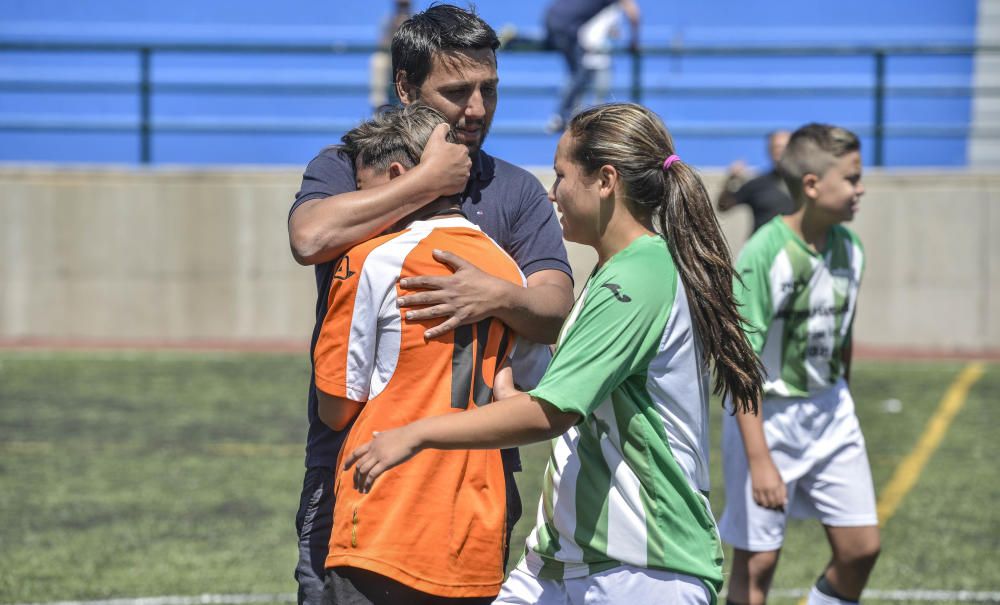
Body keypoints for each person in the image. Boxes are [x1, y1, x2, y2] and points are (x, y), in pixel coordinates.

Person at [341, 102, 765, 605]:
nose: (552, 191)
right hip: (567, 561)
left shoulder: (638, 277)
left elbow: (553, 413)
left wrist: (415, 434)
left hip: (643, 569)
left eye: (562, 175)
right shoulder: (616, 272)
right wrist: (510, 394)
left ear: (605, 180)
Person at [287, 5, 575, 605]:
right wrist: (425, 182)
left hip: (475, 474)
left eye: (488, 90)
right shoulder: (349, 164)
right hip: (357, 466)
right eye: (456, 92)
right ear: (404, 88)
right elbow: (309, 238)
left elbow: (551, 308)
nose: (476, 109)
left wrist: (494, 294)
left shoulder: (515, 190)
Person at [314, 103, 549, 604]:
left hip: (385, 508)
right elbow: (526, 381)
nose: (363, 204)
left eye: (363, 187)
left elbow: (336, 408)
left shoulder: (369, 258)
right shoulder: (507, 271)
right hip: (474, 520)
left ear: (399, 175)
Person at [718, 124, 880, 605]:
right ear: (812, 185)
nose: (860, 188)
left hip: (831, 412)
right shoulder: (764, 254)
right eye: (851, 178)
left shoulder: (851, 249)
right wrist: (760, 459)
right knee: (759, 562)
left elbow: (842, 340)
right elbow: (740, 364)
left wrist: (842, 400)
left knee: (861, 549)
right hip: (768, 417)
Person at [543, 0, 640, 132]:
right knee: (579, 74)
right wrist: (634, 41)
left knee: (577, 74)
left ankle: (564, 118)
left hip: (553, 19)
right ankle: (562, 116)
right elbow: (633, 14)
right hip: (568, 28)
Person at [716, 130, 794, 235]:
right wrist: (731, 181)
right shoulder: (757, 184)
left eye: (784, 148)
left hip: (795, 247)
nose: (779, 153)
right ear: (769, 151)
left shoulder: (806, 184)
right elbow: (723, 206)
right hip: (765, 248)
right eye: (776, 148)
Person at [368, 0, 411, 112]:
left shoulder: (415, 18)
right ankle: (378, 104)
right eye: (400, 5)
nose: (402, 7)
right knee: (377, 61)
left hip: (409, 56)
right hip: (391, 55)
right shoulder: (388, 20)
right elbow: (382, 44)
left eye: (405, 5)